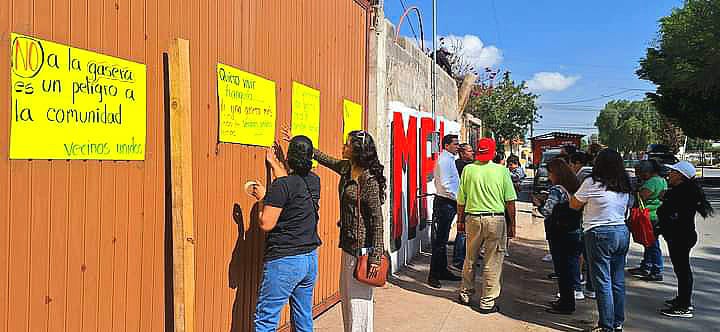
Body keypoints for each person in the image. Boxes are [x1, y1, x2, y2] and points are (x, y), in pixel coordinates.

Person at [312, 130, 387, 332]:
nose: (343, 147)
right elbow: (326, 159)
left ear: (357, 151)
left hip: (363, 251)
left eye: (347, 144)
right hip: (347, 245)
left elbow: (377, 222)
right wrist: (304, 146)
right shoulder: (346, 168)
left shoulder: (368, 181)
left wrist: (376, 257)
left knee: (359, 304)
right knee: (347, 301)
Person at [251, 137, 322, 332]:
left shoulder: (281, 187)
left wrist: (262, 199)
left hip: (285, 261)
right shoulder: (314, 181)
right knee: (302, 318)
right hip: (309, 260)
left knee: (266, 319)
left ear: (289, 159)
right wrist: (274, 164)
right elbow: (290, 185)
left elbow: (266, 223)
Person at [570, 149, 632, 332]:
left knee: (603, 281)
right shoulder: (624, 183)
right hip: (621, 232)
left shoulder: (591, 182)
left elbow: (574, 204)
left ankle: (606, 326)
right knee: (617, 280)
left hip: (599, 233)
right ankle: (617, 322)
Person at [457, 138, 517, 314]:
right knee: (493, 261)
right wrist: (512, 224)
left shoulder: (468, 170)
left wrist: (460, 221)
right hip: (495, 220)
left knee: (470, 258)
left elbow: (461, 200)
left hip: (473, 219)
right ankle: (487, 302)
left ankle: (465, 294)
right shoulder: (502, 171)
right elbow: (510, 201)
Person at [657, 161, 714, 318]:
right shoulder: (680, 191)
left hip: (681, 236)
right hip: (680, 235)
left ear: (681, 176)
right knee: (680, 269)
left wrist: (666, 198)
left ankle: (684, 306)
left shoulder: (681, 193)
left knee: (683, 271)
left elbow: (667, 211)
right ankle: (681, 299)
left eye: (673, 172)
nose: (669, 175)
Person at [535, 159, 583, 314]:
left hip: (559, 233)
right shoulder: (575, 186)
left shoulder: (557, 190)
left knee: (562, 270)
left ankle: (566, 304)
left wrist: (539, 203)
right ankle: (567, 300)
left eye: (549, 173)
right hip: (574, 231)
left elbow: (547, 212)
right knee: (570, 267)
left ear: (555, 173)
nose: (548, 176)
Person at [428, 134, 462, 288]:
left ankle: (442, 271)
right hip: (445, 203)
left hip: (449, 202)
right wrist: (458, 199)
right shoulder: (444, 160)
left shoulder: (449, 159)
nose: (457, 146)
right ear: (447, 145)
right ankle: (433, 275)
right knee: (439, 242)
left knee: (443, 239)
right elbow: (446, 185)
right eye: (455, 144)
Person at [627, 160, 667, 281]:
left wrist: (635, 189)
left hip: (649, 217)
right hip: (656, 215)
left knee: (652, 244)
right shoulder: (662, 180)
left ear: (648, 172)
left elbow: (642, 196)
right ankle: (646, 266)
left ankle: (657, 269)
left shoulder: (651, 182)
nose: (639, 176)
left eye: (640, 173)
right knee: (648, 243)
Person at [453, 143, 475, 270]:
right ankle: (458, 259)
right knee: (462, 231)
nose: (472, 153)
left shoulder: (467, 165)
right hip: (464, 201)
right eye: (469, 151)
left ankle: (466, 257)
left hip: (468, 201)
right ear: (462, 153)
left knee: (468, 232)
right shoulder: (462, 166)